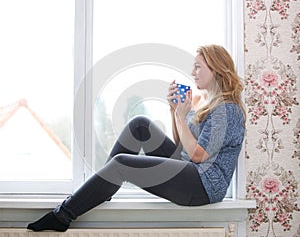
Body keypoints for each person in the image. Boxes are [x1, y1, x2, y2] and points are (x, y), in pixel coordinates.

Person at [27, 44, 246, 232]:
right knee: (140, 125)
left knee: (122, 163)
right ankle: (102, 189)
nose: (193, 71)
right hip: (190, 170)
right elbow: (182, 147)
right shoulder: (206, 106)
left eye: (198, 66)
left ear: (216, 69)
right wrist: (174, 111)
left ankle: (62, 215)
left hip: (204, 185)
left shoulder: (228, 111)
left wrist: (181, 116)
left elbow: (198, 156)